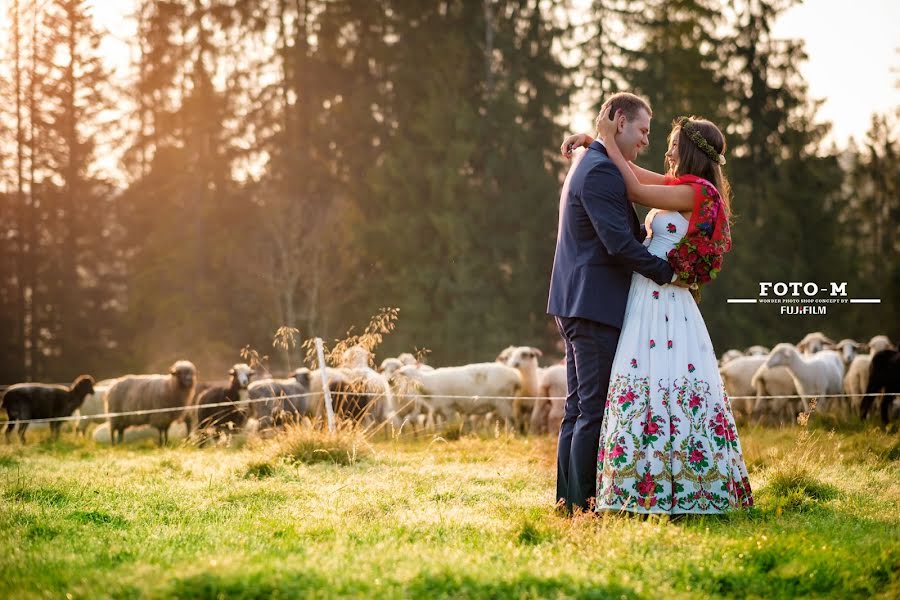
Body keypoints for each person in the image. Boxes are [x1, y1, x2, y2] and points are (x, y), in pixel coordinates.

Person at [562, 106, 753, 514]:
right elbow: (634, 175)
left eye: (670, 147)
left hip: (662, 294)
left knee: (660, 385)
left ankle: (671, 485)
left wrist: (605, 139)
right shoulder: (681, 185)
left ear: (688, 151)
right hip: (647, 295)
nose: (665, 155)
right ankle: (623, 487)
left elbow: (633, 188)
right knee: (636, 388)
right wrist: (597, 142)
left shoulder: (697, 191)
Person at [547, 93, 679, 514]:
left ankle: (569, 504)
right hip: (593, 304)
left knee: (578, 408)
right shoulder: (601, 170)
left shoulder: (591, 163)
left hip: (576, 300)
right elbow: (618, 243)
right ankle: (583, 507)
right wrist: (667, 272)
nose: (645, 141)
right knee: (593, 409)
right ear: (619, 121)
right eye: (642, 131)